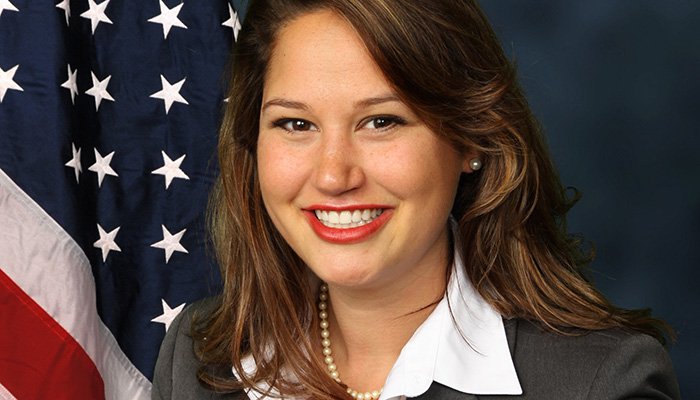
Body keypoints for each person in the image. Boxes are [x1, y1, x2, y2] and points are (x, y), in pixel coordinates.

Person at [152, 0, 680, 399]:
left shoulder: (600, 383)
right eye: (295, 123)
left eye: (382, 121)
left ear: (471, 139)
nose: (335, 175)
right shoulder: (200, 359)